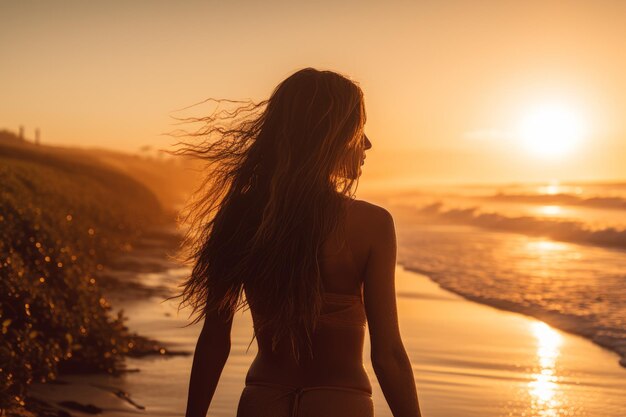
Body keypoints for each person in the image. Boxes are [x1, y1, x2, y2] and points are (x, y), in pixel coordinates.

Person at [173, 68, 422, 417]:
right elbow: (388, 355)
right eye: (358, 129)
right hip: (341, 404)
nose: (367, 144)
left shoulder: (241, 216)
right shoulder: (373, 224)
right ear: (330, 136)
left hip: (262, 402)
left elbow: (214, 340)